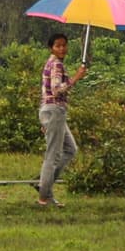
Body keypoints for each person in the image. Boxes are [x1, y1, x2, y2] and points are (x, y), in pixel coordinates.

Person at [36, 32, 87, 207]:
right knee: (53, 154)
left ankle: (44, 183)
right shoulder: (56, 64)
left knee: (71, 149)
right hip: (55, 111)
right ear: (51, 48)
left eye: (64, 45)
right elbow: (56, 90)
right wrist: (76, 78)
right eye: (58, 45)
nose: (62, 48)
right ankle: (44, 196)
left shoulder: (53, 63)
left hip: (52, 111)